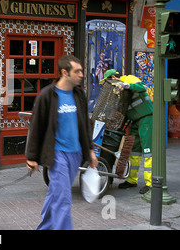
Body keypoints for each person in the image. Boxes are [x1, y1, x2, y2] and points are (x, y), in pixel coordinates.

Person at [25, 55, 98, 230]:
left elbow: (84, 126)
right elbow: (36, 127)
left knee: (56, 194)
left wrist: (90, 150)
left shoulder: (79, 94)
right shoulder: (47, 96)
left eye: (81, 70)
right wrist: (31, 157)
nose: (81, 74)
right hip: (57, 154)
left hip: (76, 153)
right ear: (65, 72)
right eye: (77, 71)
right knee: (63, 198)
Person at [102, 69, 153, 194]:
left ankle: (151, 184)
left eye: (108, 81)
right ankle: (131, 180)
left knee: (148, 151)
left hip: (146, 117)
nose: (107, 84)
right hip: (135, 121)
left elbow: (141, 87)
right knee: (134, 152)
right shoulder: (117, 90)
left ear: (114, 77)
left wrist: (127, 85)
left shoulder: (129, 79)